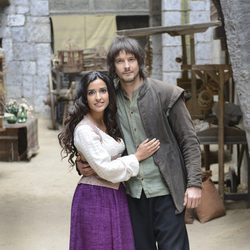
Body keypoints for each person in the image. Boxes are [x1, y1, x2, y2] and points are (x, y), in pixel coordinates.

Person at [77, 36, 202, 250]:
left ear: (140, 61)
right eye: (120, 61)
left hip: (166, 192)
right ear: (113, 66)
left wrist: (194, 184)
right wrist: (80, 162)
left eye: (131, 59)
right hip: (131, 194)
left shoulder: (167, 94)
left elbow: (189, 141)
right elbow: (90, 135)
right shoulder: (109, 100)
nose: (126, 66)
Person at [58, 71, 160, 250]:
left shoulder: (111, 119)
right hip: (94, 197)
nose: (98, 97)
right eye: (91, 92)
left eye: (103, 91)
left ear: (110, 94)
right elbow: (105, 168)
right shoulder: (84, 130)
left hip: (116, 194)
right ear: (84, 97)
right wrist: (137, 156)